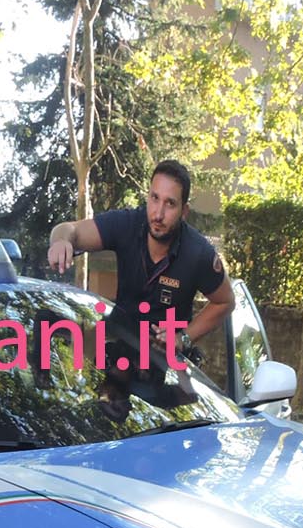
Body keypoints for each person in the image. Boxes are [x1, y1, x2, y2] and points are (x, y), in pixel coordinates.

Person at [45, 158, 234, 374]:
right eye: (154, 198)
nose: (158, 214)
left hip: (162, 370)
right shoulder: (126, 224)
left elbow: (225, 301)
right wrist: (61, 241)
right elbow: (69, 230)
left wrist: (184, 337)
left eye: (170, 203)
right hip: (114, 356)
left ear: (184, 211)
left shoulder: (198, 253)